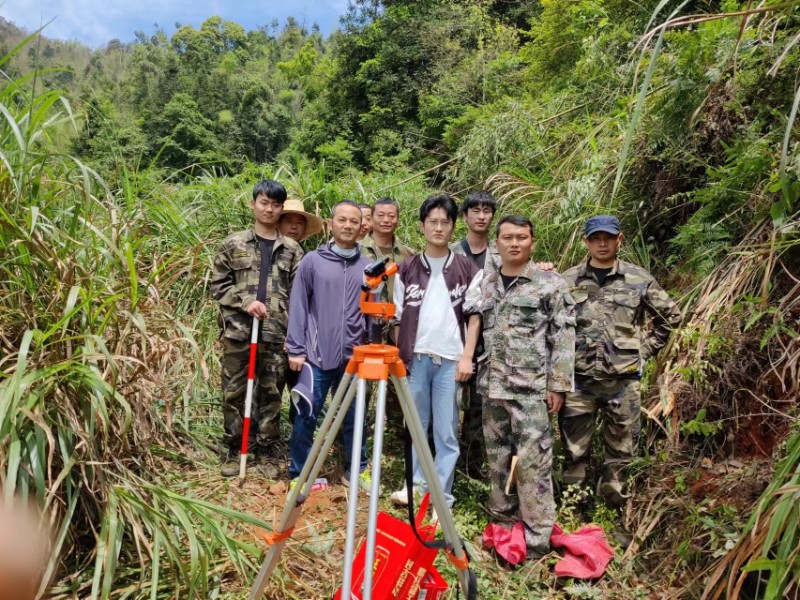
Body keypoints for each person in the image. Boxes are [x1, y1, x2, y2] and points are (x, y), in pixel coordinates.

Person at [466, 215, 575, 559]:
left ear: (533, 243)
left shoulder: (549, 283)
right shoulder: (487, 281)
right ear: (496, 243)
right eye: (508, 238)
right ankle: (502, 525)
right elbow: (475, 318)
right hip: (493, 387)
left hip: (530, 391)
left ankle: (538, 538)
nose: (515, 243)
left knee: (533, 464)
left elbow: (563, 335)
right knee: (497, 460)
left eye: (522, 238)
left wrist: (557, 385)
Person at [560, 215, 681, 506]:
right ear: (586, 242)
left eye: (608, 238)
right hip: (579, 381)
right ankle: (573, 508)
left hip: (623, 383)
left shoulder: (638, 279)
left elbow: (671, 317)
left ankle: (614, 508)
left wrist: (644, 350)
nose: (602, 243)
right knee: (574, 451)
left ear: (619, 240)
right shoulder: (567, 280)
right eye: (595, 238)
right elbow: (553, 324)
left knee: (622, 451)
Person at [390, 194, 482, 512]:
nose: (439, 228)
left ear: (454, 226)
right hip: (416, 358)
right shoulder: (408, 269)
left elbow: (474, 316)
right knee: (416, 425)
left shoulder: (466, 269)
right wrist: (401, 358)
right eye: (433, 222)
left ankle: (442, 495)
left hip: (450, 361)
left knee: (445, 432)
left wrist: (467, 356)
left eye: (445, 222)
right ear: (422, 226)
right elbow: (399, 318)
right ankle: (414, 485)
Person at [210, 180, 304, 477]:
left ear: (281, 208)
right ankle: (235, 448)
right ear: (253, 204)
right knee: (234, 392)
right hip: (239, 332)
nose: (269, 209)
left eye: (276, 205)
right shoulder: (233, 243)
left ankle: (266, 451)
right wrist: (246, 301)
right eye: (264, 202)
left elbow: (301, 295)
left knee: (271, 393)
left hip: (277, 334)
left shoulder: (292, 249)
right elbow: (218, 284)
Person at [285, 200, 372, 491]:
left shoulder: (368, 266)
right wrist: (296, 348)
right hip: (316, 354)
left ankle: (356, 471)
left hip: (355, 357)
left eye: (354, 221)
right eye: (342, 220)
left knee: (355, 416)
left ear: (362, 227)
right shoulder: (312, 260)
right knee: (306, 414)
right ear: (330, 223)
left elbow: (373, 314)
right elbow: (298, 304)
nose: (348, 225)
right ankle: (301, 473)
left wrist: (370, 349)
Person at [449, 190, 499, 479]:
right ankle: (442, 468)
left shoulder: (501, 254)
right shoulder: (450, 252)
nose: (481, 216)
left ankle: (470, 468)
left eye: (487, 211)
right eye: (475, 211)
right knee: (448, 406)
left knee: (480, 410)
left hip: (490, 346)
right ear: (465, 216)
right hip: (453, 339)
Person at [360, 197, 414, 304]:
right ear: (371, 218)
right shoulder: (356, 251)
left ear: (398, 219)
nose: (386, 220)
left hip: (399, 318)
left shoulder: (409, 254)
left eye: (391, 216)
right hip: (365, 317)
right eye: (380, 215)